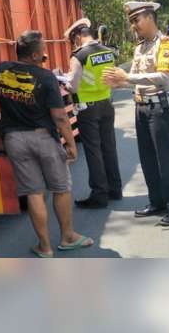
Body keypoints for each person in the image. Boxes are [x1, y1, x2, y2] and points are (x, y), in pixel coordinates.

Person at [0, 30, 94, 257]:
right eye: (42, 52)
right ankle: (68, 237)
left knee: (34, 192)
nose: (45, 54)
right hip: (43, 138)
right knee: (60, 187)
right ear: (35, 55)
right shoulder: (46, 77)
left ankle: (45, 246)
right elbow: (60, 117)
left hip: (14, 140)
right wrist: (70, 143)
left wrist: (36, 61)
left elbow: (23, 74)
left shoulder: (1, 70)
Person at [102, 1, 169, 226]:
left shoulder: (167, 44)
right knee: (148, 159)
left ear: (150, 18)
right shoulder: (140, 47)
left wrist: (126, 78)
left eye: (136, 20)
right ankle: (157, 202)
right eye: (131, 22)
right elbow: (132, 81)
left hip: (161, 108)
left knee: (167, 159)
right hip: (142, 107)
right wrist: (116, 83)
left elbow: (163, 77)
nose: (133, 26)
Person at [62, 18, 122, 208]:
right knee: (109, 147)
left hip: (87, 109)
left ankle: (99, 194)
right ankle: (115, 189)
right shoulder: (108, 51)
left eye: (74, 40)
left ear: (78, 36)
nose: (75, 43)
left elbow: (72, 86)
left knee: (94, 151)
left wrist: (62, 80)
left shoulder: (79, 56)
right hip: (106, 103)